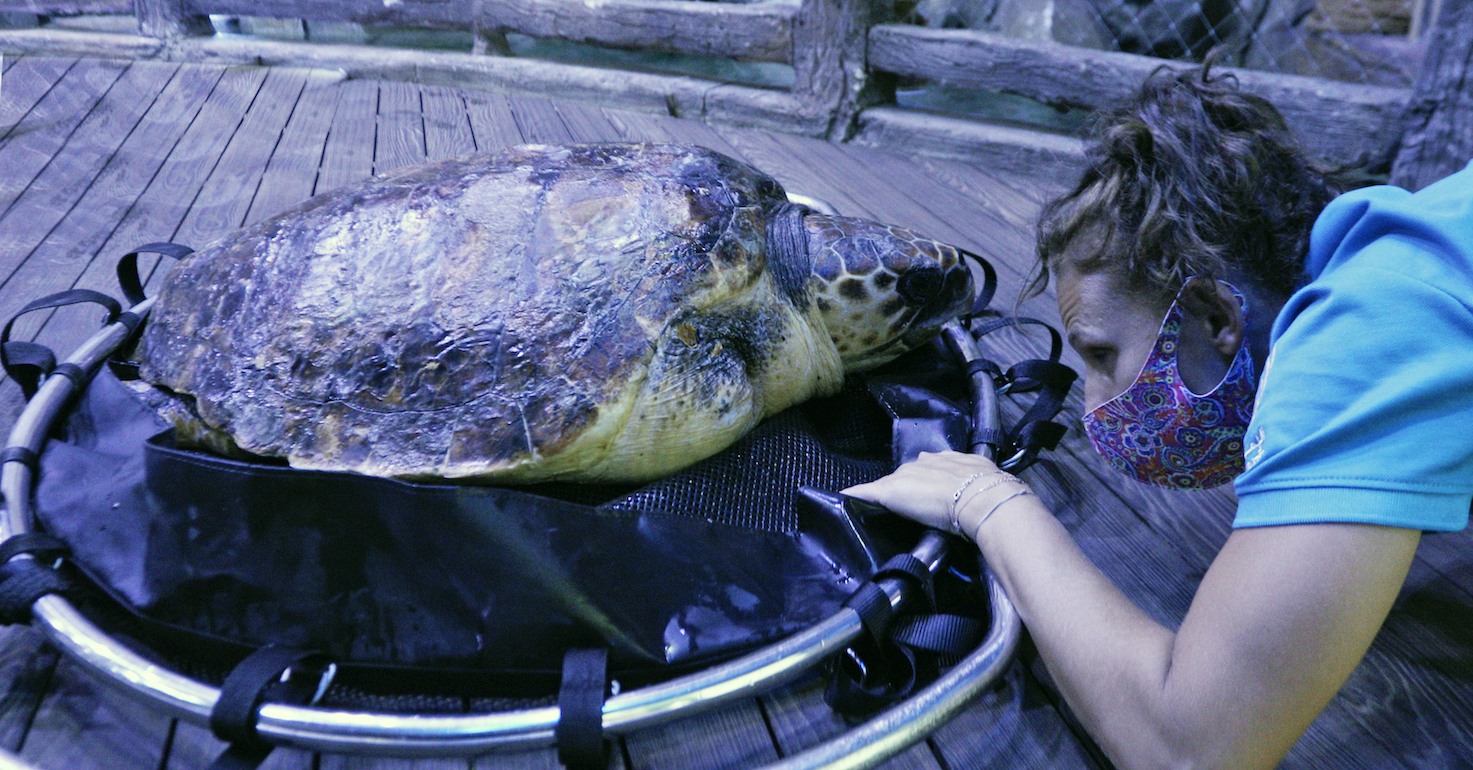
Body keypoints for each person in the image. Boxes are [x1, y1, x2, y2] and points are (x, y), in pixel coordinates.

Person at [844, 66, 1473, 770]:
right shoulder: (1424, 246)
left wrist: (988, 503)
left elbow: (1191, 746)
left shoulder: (1376, 319)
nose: (1091, 407)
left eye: (1101, 353)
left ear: (1212, 316)